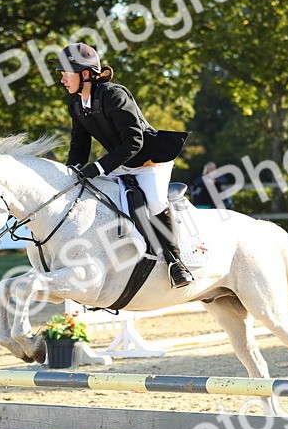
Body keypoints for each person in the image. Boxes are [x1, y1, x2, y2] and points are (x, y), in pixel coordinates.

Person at [57, 42, 193, 287]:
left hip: (149, 161)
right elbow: (79, 145)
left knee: (153, 201)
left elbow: (134, 142)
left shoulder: (114, 95)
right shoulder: (76, 104)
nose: (62, 80)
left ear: (85, 74)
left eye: (66, 73)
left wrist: (98, 168)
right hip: (120, 162)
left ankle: (175, 261)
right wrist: (71, 173)